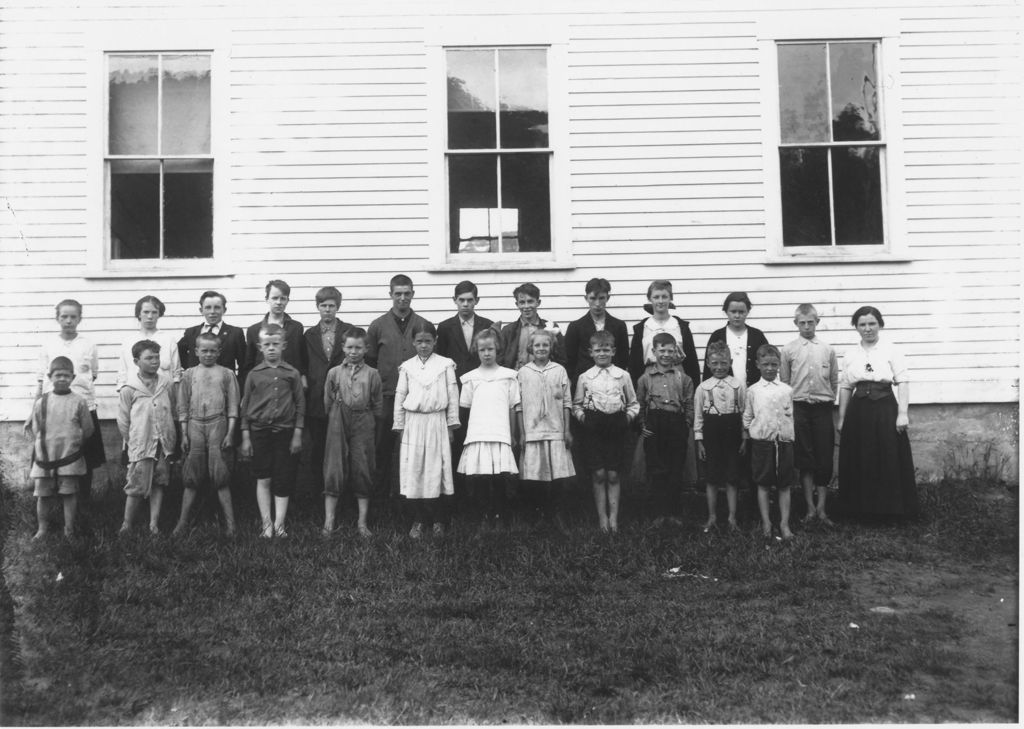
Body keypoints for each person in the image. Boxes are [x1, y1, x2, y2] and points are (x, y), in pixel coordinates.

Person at [837, 306, 918, 519]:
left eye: (872, 323)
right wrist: (843, 417)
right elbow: (845, 386)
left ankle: (890, 510)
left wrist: (902, 413)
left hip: (884, 408)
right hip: (858, 410)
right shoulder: (851, 353)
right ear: (856, 327)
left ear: (880, 325)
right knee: (859, 457)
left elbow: (903, 381)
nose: (867, 329)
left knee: (887, 455)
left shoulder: (891, 350)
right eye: (862, 324)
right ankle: (859, 510)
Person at [366, 274, 434, 512]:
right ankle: (380, 504)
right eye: (398, 293)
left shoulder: (423, 324)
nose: (402, 298)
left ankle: (409, 503)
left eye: (407, 293)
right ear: (391, 295)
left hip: (416, 400)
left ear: (413, 294)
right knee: (382, 450)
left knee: (413, 451)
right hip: (385, 398)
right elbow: (370, 363)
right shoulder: (377, 326)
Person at [394, 321, 460, 538]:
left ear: (435, 341)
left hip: (436, 422)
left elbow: (452, 396)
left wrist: (451, 425)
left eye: (428, 341)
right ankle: (418, 520)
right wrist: (400, 425)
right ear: (413, 342)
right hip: (414, 423)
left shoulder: (445, 365)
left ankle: (439, 520)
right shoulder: (407, 367)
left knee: (436, 470)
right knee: (416, 470)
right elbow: (400, 396)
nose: (424, 345)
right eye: (419, 341)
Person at [36, 299, 105, 504]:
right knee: (56, 454)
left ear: (80, 318)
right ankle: (57, 500)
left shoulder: (88, 344)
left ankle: (82, 501)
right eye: (64, 316)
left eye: (73, 317)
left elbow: (92, 374)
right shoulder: (49, 345)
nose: (68, 321)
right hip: (55, 410)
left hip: (83, 407)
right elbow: (41, 380)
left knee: (85, 456)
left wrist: (78, 397)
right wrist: (35, 409)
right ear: (57, 318)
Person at [239, 324, 305, 538]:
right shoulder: (254, 375)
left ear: (283, 345)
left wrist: (297, 433)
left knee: (283, 477)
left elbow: (300, 405)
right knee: (263, 477)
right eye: (267, 345)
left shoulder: (292, 373)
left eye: (276, 344)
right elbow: (245, 406)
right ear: (260, 347)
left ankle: (279, 524)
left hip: (285, 432)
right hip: (259, 432)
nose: (271, 348)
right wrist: (246, 436)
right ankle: (266, 524)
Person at [173, 332, 239, 537]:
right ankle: (182, 523)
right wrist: (183, 434)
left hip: (217, 424)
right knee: (191, 476)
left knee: (221, 476)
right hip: (194, 425)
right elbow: (182, 406)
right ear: (196, 351)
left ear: (219, 352)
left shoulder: (227, 374)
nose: (208, 354)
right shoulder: (189, 375)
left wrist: (230, 433)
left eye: (213, 351)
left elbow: (233, 407)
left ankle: (230, 525)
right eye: (204, 350)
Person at [573, 330, 639, 533]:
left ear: (613, 351)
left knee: (613, 474)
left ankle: (614, 519)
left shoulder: (623, 375)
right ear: (591, 352)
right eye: (598, 350)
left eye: (606, 349)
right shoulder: (585, 377)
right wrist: (584, 418)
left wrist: (626, 418)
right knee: (599, 473)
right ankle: (602, 518)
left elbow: (633, 403)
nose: (602, 353)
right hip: (594, 427)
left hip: (617, 426)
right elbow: (577, 404)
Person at [780, 304, 839, 526]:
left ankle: (823, 509)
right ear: (796, 324)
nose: (806, 327)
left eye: (810, 322)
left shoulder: (827, 349)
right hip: (799, 408)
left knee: (824, 458)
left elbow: (834, 381)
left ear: (817, 323)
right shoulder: (788, 350)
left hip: (822, 408)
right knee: (805, 458)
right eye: (802, 323)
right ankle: (810, 508)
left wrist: (827, 401)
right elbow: (785, 383)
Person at [322, 327, 382, 537]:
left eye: (358, 347)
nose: (354, 351)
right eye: (349, 347)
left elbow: (377, 404)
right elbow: (327, 401)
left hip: (363, 420)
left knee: (362, 466)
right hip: (338, 418)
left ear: (366, 349)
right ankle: (329, 521)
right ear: (343, 348)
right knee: (334, 467)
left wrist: (368, 421)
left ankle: (362, 523)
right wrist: (336, 416)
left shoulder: (372, 374)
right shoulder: (334, 373)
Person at [458, 329, 520, 531]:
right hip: (479, 433)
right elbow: (466, 410)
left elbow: (512, 407)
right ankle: (485, 516)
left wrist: (512, 434)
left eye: (490, 349)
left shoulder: (509, 377)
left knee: (500, 477)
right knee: (482, 478)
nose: (486, 353)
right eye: (482, 349)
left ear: (497, 350)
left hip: (500, 432)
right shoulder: (470, 378)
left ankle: (500, 516)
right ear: (476, 350)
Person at [26, 356, 94, 539]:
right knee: (43, 495)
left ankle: (69, 529)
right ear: (50, 377)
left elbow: (88, 429)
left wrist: (74, 445)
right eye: (58, 375)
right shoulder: (43, 402)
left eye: (66, 375)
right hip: (46, 458)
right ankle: (42, 528)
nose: (62, 379)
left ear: (73, 377)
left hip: (69, 457)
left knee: (69, 493)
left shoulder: (79, 401)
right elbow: (36, 427)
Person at [516, 329, 575, 529]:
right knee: (535, 476)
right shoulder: (523, 372)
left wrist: (567, 430)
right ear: (530, 348)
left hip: (556, 429)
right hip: (532, 431)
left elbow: (567, 402)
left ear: (551, 347)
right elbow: (519, 405)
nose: (541, 348)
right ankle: (538, 515)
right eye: (537, 345)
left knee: (557, 476)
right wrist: (522, 433)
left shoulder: (559, 370)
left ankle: (556, 514)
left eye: (545, 345)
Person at [118, 340, 177, 535]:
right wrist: (132, 442)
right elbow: (124, 420)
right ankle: (127, 523)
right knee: (136, 484)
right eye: (148, 358)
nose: (154, 361)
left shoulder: (166, 383)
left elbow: (173, 410)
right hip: (141, 444)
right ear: (136, 361)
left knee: (159, 481)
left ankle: (154, 523)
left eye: (156, 357)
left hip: (163, 443)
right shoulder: (129, 388)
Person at [636, 332, 694, 525]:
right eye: (662, 350)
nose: (666, 354)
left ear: (676, 352)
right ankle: (657, 513)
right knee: (656, 469)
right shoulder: (645, 378)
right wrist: (642, 425)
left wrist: (685, 424)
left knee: (675, 468)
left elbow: (688, 404)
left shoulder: (683, 378)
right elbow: (640, 404)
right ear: (654, 351)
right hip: (655, 424)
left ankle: (674, 513)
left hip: (676, 423)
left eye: (671, 350)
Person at [743, 344, 795, 540]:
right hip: (762, 444)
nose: (770, 368)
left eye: (774, 364)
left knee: (784, 484)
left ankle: (784, 524)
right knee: (763, 484)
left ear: (779, 364)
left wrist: (788, 436)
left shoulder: (787, 390)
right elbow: (747, 417)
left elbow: (791, 416)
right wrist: (753, 434)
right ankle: (766, 522)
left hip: (784, 442)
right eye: (766, 364)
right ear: (757, 365)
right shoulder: (753, 391)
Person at [304, 286, 351, 498]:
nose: (328, 310)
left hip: (344, 397)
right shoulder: (310, 335)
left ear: (338, 307)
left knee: (342, 446)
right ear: (317, 307)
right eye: (323, 306)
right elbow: (305, 364)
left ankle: (343, 491)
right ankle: (318, 493)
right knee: (318, 447)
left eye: (332, 306)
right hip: (316, 399)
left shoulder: (348, 331)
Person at [694, 341, 746, 532]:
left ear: (730, 362)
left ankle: (732, 518)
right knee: (712, 478)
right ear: (708, 363)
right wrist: (699, 442)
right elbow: (698, 417)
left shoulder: (738, 386)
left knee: (732, 477)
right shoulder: (703, 388)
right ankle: (712, 516)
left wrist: (744, 438)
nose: (719, 367)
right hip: (711, 433)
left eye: (723, 363)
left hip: (732, 433)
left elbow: (744, 413)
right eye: (715, 363)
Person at [627, 280, 700, 386]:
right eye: (656, 297)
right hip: (650, 380)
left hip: (677, 380)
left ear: (670, 298)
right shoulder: (642, 328)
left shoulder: (681, 327)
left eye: (664, 297)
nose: (660, 301)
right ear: (649, 299)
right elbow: (634, 365)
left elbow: (692, 363)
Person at [564, 277, 629, 386]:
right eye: (593, 298)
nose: (597, 303)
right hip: (584, 383)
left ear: (607, 298)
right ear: (586, 298)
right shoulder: (575, 327)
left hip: (613, 382)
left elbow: (623, 358)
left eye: (601, 298)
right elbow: (569, 360)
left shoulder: (619, 326)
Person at [244, 280, 308, 387]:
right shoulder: (254, 330)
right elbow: (248, 364)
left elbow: (301, 358)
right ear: (267, 299)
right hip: (263, 385)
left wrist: (303, 378)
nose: (279, 302)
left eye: (283, 298)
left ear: (288, 300)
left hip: (290, 383)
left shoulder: (296, 328)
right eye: (274, 298)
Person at [703, 292, 770, 388]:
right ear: (726, 311)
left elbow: (767, 362)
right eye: (733, 311)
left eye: (741, 312)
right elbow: (708, 368)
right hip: (724, 392)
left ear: (748, 311)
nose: (737, 315)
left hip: (753, 391)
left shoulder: (757, 336)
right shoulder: (717, 336)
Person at [116, 295, 182, 391]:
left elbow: (176, 374)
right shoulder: (128, 341)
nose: (150, 316)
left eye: (154, 312)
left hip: (164, 395)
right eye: (146, 312)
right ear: (139, 314)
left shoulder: (168, 340)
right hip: (136, 395)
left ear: (159, 314)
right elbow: (122, 374)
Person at [434, 280, 495, 382]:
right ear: (454, 300)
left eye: (470, 300)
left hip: (481, 381)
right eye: (461, 300)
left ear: (477, 300)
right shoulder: (444, 327)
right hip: (454, 382)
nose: (465, 304)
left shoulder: (488, 325)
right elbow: (440, 359)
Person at [497, 283, 566, 370]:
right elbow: (500, 360)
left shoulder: (550, 327)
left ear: (538, 302)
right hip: (515, 378)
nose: (526, 306)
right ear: (517, 304)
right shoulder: (508, 331)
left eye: (530, 301)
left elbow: (561, 358)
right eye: (522, 302)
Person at [177, 290, 247, 376]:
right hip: (197, 383)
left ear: (224, 310)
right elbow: (178, 352)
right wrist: (190, 367)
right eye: (208, 307)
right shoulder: (191, 333)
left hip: (223, 383)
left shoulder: (235, 333)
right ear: (201, 310)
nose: (212, 311)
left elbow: (244, 363)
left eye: (217, 307)